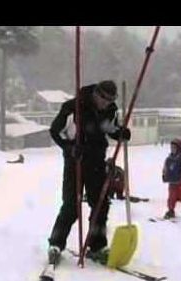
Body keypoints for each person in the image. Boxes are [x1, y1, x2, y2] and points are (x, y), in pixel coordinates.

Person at [46, 80, 131, 265]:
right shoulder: (73, 107)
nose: (106, 103)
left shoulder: (110, 110)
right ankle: (56, 244)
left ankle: (97, 246)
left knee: (100, 204)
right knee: (71, 206)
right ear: (96, 94)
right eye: (104, 99)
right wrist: (69, 148)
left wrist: (121, 133)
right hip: (75, 162)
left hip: (97, 162)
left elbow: (109, 129)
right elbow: (55, 131)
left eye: (110, 100)